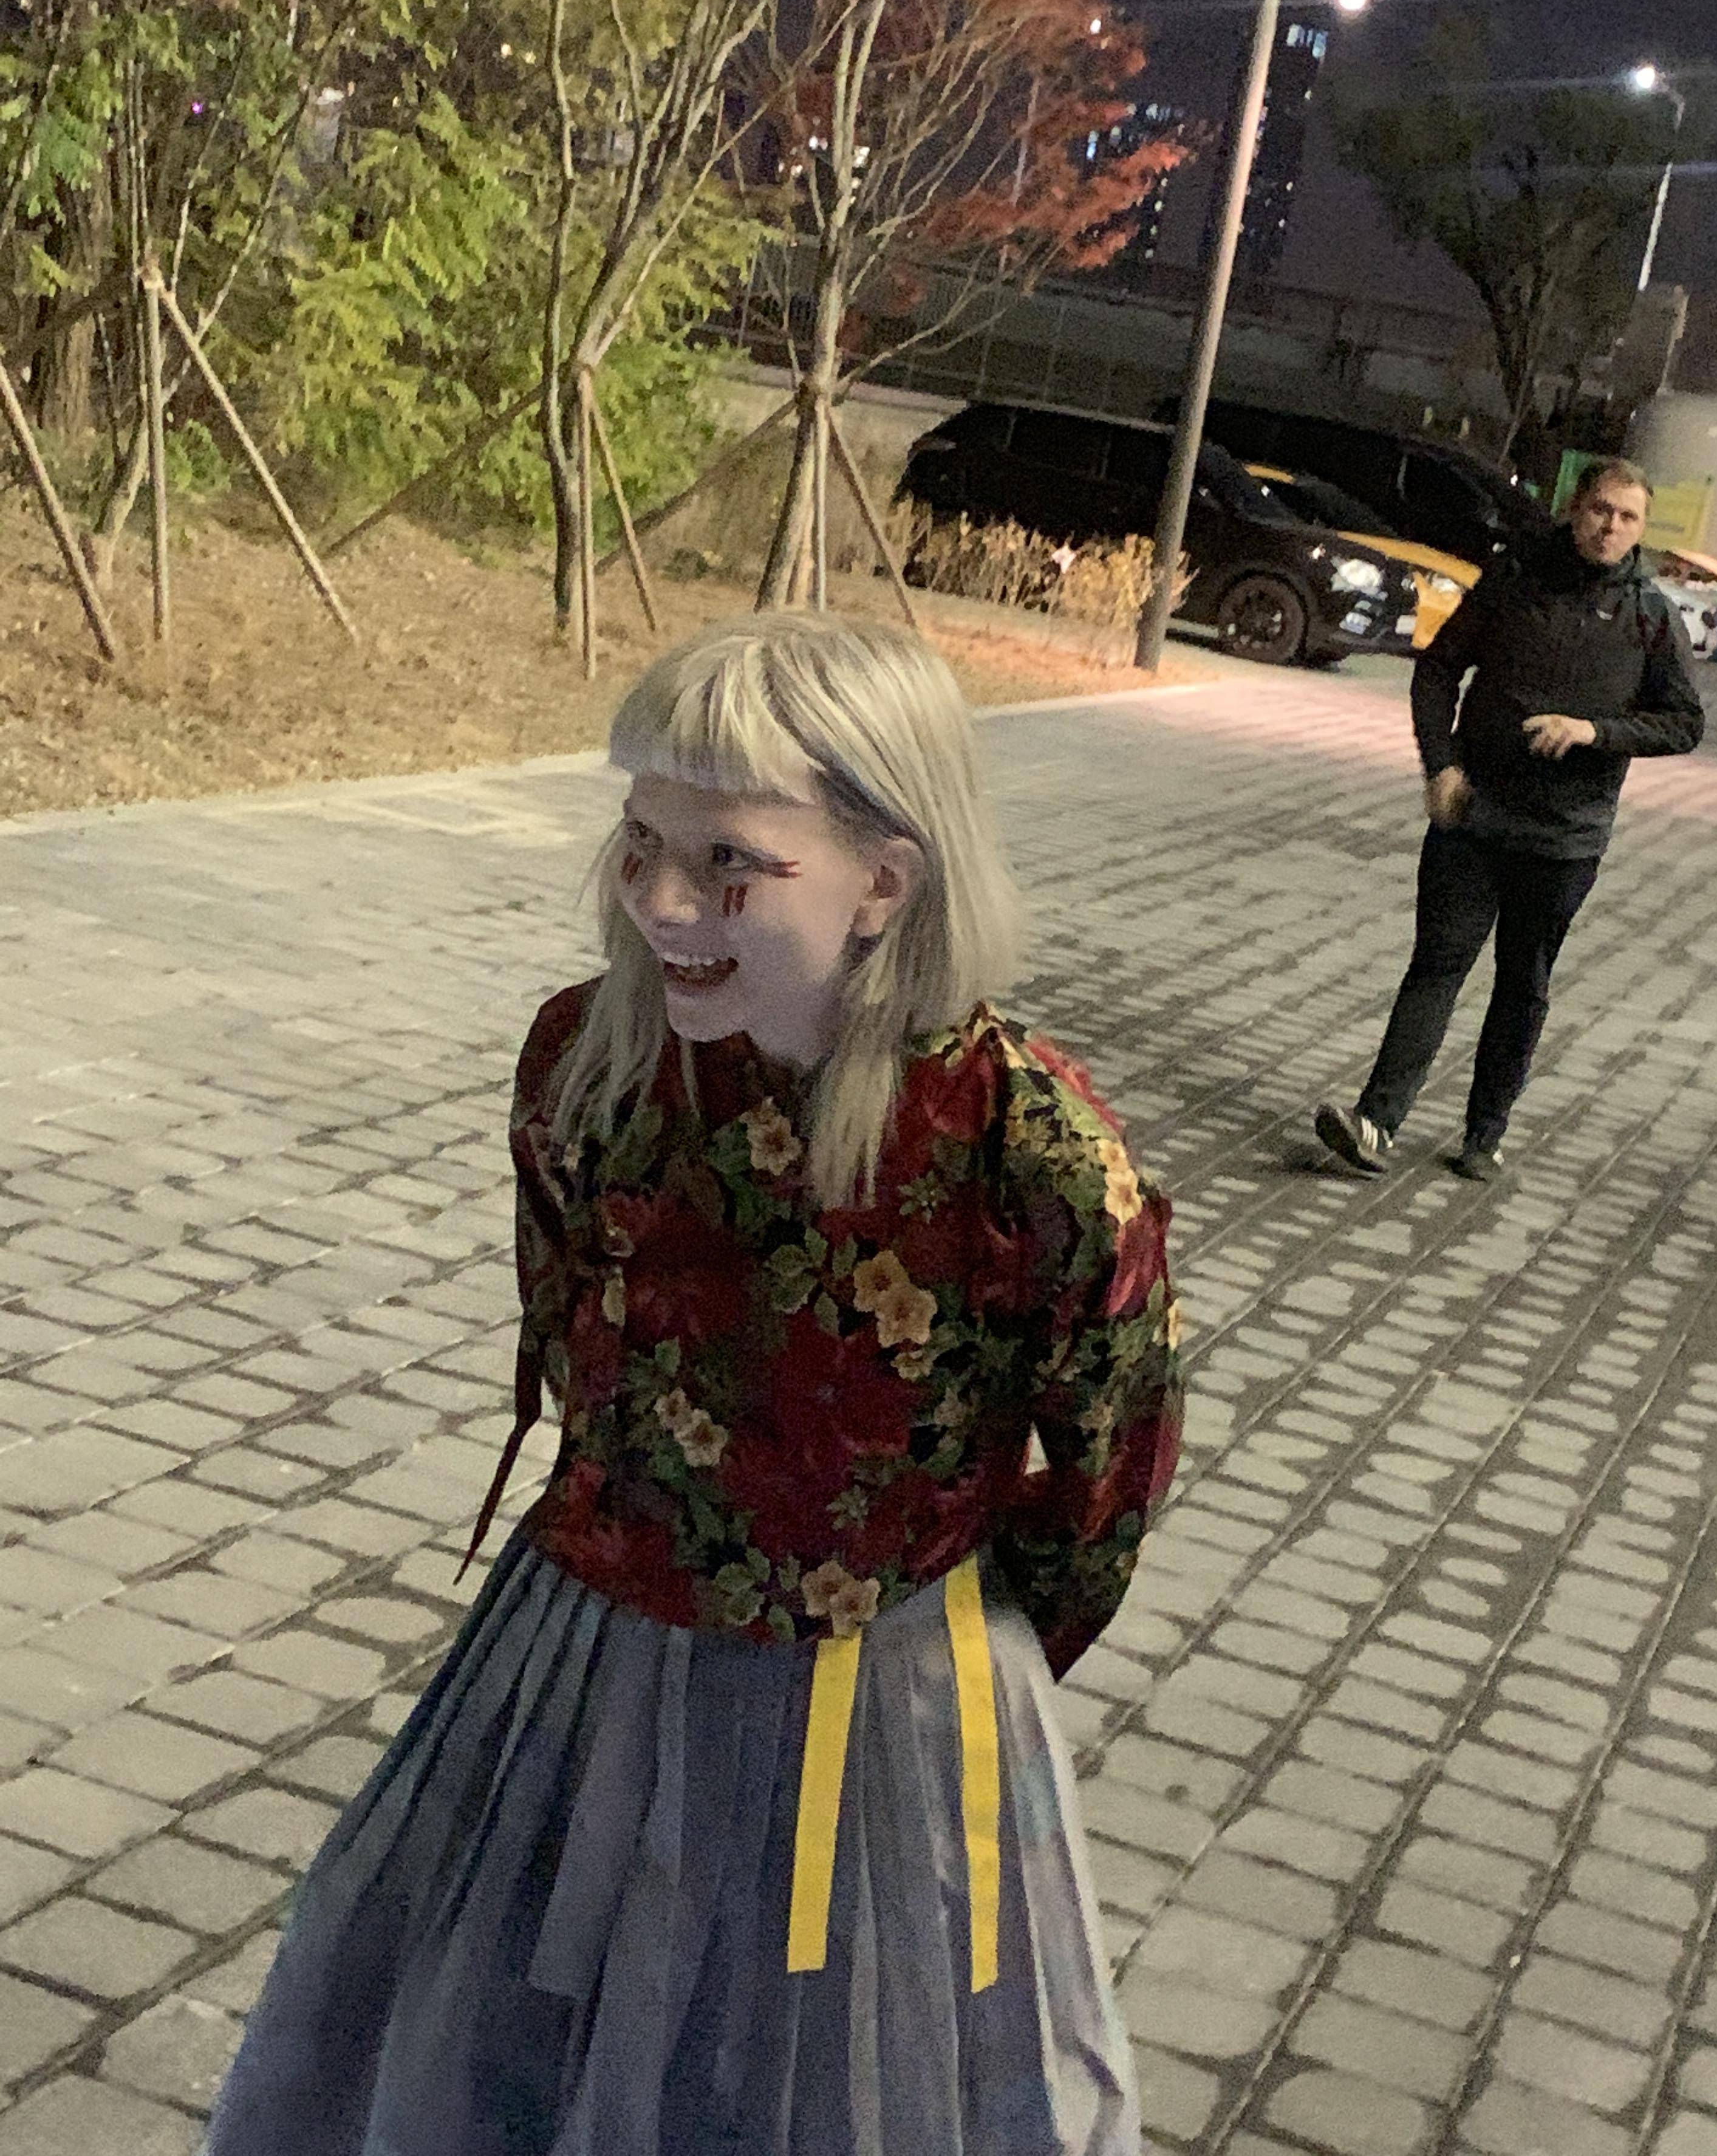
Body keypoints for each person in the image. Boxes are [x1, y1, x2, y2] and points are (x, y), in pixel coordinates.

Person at [203, 612, 1183, 2156]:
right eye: (643, 842)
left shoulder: (1025, 1147)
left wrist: (939, 1636)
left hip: (876, 1701)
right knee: (495, 2036)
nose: (663, 903)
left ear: (886, 879)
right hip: (575, 1661)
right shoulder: (587, 1063)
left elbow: (1110, 1473)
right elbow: (569, 1343)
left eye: (731, 863)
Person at [1315, 457, 1704, 1185]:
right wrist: (1441, 766)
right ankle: (1375, 1122)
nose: (1610, 526)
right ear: (1574, 509)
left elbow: (1685, 723)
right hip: (1475, 815)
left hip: (1564, 839)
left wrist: (1595, 733)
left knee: (1523, 983)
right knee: (1437, 964)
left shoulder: (1650, 616)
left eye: (1627, 517)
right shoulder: (1515, 580)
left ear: (1641, 530)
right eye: (1600, 510)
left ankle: (1485, 1133)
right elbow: (1437, 670)